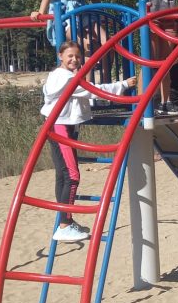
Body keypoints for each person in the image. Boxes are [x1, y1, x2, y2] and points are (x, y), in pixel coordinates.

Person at [41, 41, 137, 242]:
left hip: (61, 125)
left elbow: (85, 92)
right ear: (60, 56)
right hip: (60, 127)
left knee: (63, 175)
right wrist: (123, 85)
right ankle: (65, 225)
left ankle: (65, 220)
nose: (74, 59)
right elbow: (94, 91)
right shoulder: (66, 78)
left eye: (77, 56)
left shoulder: (61, 76)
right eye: (70, 56)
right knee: (72, 175)